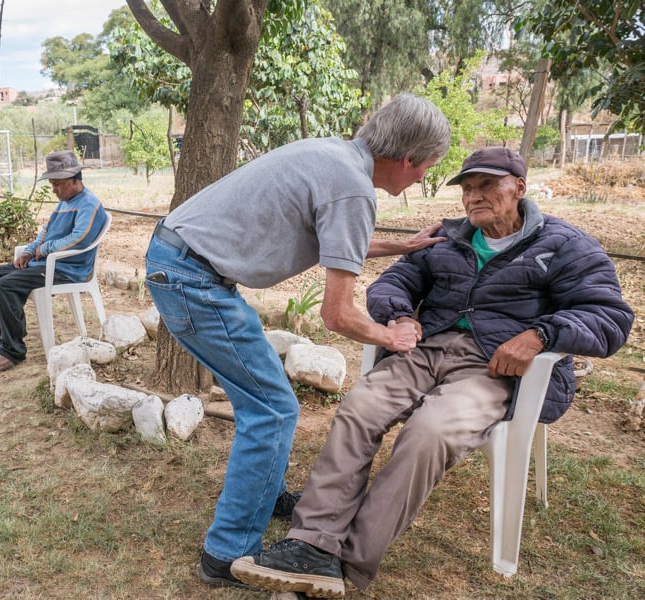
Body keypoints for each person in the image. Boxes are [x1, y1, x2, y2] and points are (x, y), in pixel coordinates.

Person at [230, 146, 635, 597]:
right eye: (467, 188)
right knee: (358, 408)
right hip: (426, 349)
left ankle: (346, 562)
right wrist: (401, 315)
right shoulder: (448, 237)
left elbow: (609, 316)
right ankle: (310, 544)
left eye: (487, 186)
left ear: (519, 188)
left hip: (495, 367)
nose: (474, 197)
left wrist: (539, 335)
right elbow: (393, 282)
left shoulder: (564, 245)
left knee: (430, 432)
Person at [143, 93, 452, 588]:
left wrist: (402, 245)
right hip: (192, 282)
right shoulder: (354, 188)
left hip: (180, 264)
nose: (421, 180)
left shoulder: (335, 155)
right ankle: (226, 554)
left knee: (261, 402)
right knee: (274, 408)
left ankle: (262, 496)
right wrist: (389, 335)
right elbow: (337, 315)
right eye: (426, 169)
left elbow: (338, 238)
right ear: (407, 158)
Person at [0, 150, 109, 372]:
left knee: (7, 285)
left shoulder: (90, 204)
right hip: (45, 264)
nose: (54, 190)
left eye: (58, 184)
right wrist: (29, 251)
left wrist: (44, 249)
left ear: (75, 180)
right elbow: (44, 233)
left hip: (68, 269)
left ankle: (11, 351)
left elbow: (79, 239)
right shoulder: (63, 204)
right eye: (52, 185)